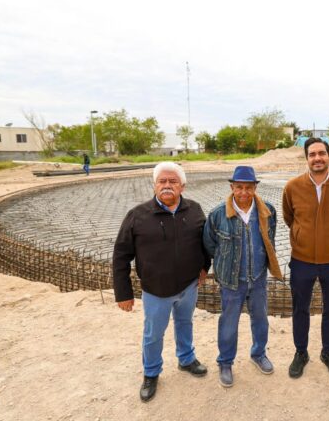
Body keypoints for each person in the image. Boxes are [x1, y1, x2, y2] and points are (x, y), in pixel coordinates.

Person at [113, 162, 210, 403]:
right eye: (162, 181)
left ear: (182, 186)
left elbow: (205, 242)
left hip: (188, 286)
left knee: (185, 323)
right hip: (156, 290)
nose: (167, 185)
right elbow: (121, 255)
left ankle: (186, 359)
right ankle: (151, 373)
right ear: (154, 185)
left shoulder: (195, 210)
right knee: (153, 334)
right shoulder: (137, 215)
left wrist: (204, 267)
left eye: (173, 181)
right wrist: (123, 293)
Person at [282, 137, 329, 379]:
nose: (317, 158)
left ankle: (328, 352)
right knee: (300, 309)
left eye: (321, 153)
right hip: (301, 261)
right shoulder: (292, 187)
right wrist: (302, 237)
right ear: (307, 158)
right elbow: (289, 217)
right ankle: (301, 352)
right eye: (312, 154)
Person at [203, 166, 284, 388]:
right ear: (232, 187)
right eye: (239, 187)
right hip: (231, 281)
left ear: (255, 188)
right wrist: (223, 265)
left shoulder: (267, 211)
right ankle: (225, 362)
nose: (244, 192)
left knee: (260, 319)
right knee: (229, 323)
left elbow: (269, 240)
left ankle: (259, 354)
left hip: (258, 278)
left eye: (249, 187)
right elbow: (209, 245)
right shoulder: (218, 214)